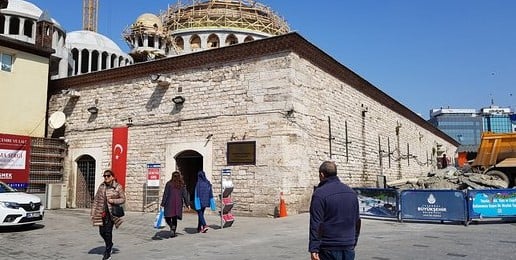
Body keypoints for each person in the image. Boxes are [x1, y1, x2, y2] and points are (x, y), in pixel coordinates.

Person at [309, 161, 361, 260]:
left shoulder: (319, 194)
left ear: (322, 174)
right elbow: (357, 221)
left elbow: (316, 223)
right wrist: (353, 240)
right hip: (348, 245)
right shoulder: (351, 193)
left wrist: (314, 248)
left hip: (329, 246)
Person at [91, 169, 126, 260]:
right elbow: (96, 200)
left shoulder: (118, 187)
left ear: (112, 177)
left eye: (108, 176)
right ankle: (110, 243)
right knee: (101, 232)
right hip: (101, 212)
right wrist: (93, 212)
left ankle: (107, 251)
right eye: (105, 176)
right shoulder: (101, 186)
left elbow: (123, 199)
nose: (106, 177)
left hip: (111, 213)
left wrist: (113, 200)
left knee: (108, 232)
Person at [160, 171, 190, 238]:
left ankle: (172, 227)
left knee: (167, 217)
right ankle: (173, 229)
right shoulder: (181, 184)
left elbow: (165, 194)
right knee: (174, 218)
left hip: (169, 203)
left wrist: (162, 203)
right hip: (178, 204)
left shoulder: (169, 184)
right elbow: (185, 195)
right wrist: (188, 204)